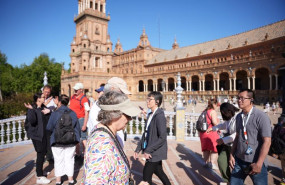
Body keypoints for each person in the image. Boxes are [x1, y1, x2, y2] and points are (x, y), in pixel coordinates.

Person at [82, 91, 140, 184]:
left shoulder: (107, 132)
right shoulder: (102, 145)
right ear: (114, 114)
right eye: (127, 115)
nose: (130, 119)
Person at [229, 89, 271, 185]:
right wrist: (231, 154)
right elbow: (238, 137)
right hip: (239, 160)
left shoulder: (261, 117)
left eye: (242, 98)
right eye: (238, 98)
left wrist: (259, 163)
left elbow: (267, 141)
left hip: (255, 161)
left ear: (251, 100)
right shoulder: (239, 116)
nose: (239, 100)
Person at [134, 91, 171, 185]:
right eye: (147, 99)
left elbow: (163, 137)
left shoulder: (159, 116)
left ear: (157, 101)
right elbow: (145, 134)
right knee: (159, 171)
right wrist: (138, 149)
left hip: (154, 152)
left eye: (150, 99)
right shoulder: (151, 115)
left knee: (146, 179)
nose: (147, 101)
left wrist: (148, 150)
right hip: (152, 150)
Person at [87, 77, 131, 147]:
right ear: (112, 89)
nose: (124, 96)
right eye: (121, 92)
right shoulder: (100, 108)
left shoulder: (109, 106)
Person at [46, 94, 80, 185]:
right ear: (68, 102)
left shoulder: (55, 113)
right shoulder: (73, 113)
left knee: (58, 160)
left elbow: (49, 128)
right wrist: (77, 141)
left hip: (57, 141)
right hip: (70, 141)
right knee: (70, 160)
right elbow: (77, 129)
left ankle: (58, 180)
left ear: (60, 102)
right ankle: (71, 180)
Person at [206, 103, 239, 183]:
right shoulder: (229, 118)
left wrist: (223, 140)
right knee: (221, 161)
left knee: (236, 166)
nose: (222, 114)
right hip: (228, 145)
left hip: (236, 146)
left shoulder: (238, 118)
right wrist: (212, 128)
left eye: (223, 112)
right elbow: (223, 125)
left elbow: (237, 134)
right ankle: (227, 180)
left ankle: (235, 182)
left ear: (229, 111)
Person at [25, 92, 51, 184]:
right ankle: (39, 177)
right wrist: (32, 110)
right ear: (38, 99)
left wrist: (49, 111)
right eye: (43, 97)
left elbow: (48, 116)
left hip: (43, 135)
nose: (45, 98)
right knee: (40, 154)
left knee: (43, 153)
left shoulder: (43, 107)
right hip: (37, 136)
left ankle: (39, 172)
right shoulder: (33, 108)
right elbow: (32, 121)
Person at [69, 83, 90, 158]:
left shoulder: (84, 99)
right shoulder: (72, 97)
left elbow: (87, 112)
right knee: (75, 137)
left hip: (81, 119)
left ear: (81, 90)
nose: (75, 90)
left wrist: (84, 124)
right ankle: (78, 153)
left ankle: (86, 154)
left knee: (83, 137)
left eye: (77, 89)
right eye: (75, 89)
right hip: (73, 120)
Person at [199, 98, 220, 170]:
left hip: (203, 132)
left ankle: (205, 162)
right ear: (214, 104)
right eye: (217, 105)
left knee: (206, 149)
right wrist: (218, 122)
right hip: (211, 132)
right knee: (215, 148)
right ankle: (212, 163)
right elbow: (214, 122)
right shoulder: (212, 111)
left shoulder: (204, 111)